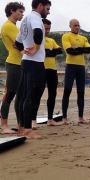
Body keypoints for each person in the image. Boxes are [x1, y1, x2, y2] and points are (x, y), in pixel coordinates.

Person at [15, 0, 51, 139]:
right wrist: (35, 48)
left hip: (26, 62)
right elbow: (37, 33)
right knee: (32, 96)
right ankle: (28, 129)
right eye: (47, 8)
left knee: (25, 96)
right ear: (40, 6)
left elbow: (17, 42)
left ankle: (23, 127)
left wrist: (24, 51)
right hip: (35, 63)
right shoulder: (35, 18)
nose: (48, 11)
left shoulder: (25, 19)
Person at [31, 19, 63, 126]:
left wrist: (47, 52)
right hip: (40, 69)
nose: (47, 30)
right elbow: (36, 52)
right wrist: (48, 52)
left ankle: (50, 119)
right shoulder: (35, 39)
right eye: (46, 28)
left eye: (49, 28)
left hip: (52, 70)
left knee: (52, 94)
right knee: (37, 94)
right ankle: (33, 120)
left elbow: (59, 50)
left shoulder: (51, 40)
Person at [61, 19, 90, 124]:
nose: (77, 27)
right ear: (70, 26)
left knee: (81, 92)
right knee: (67, 90)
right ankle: (64, 117)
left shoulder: (83, 38)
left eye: (78, 25)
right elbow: (69, 51)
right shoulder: (66, 36)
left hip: (81, 67)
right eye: (75, 25)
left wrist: (77, 48)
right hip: (70, 66)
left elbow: (89, 50)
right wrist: (81, 49)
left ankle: (80, 118)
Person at [0, 2, 25, 134]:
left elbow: (21, 45)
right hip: (14, 63)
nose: (22, 14)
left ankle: (20, 125)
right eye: (20, 11)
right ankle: (4, 125)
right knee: (9, 94)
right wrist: (23, 45)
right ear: (12, 11)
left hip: (19, 63)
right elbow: (22, 44)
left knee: (20, 96)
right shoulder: (9, 26)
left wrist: (22, 45)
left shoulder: (14, 27)